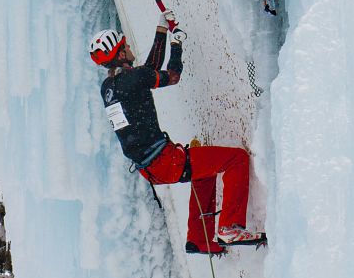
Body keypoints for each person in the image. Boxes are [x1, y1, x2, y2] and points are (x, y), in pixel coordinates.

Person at [90, 14, 266, 253]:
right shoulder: (133, 78)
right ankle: (230, 227)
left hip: (150, 170)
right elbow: (171, 76)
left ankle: (199, 239)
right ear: (120, 55)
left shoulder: (108, 88)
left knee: (202, 173)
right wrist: (177, 45)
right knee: (237, 159)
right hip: (167, 162)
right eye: (126, 46)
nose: (130, 47)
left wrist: (162, 30)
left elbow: (147, 71)